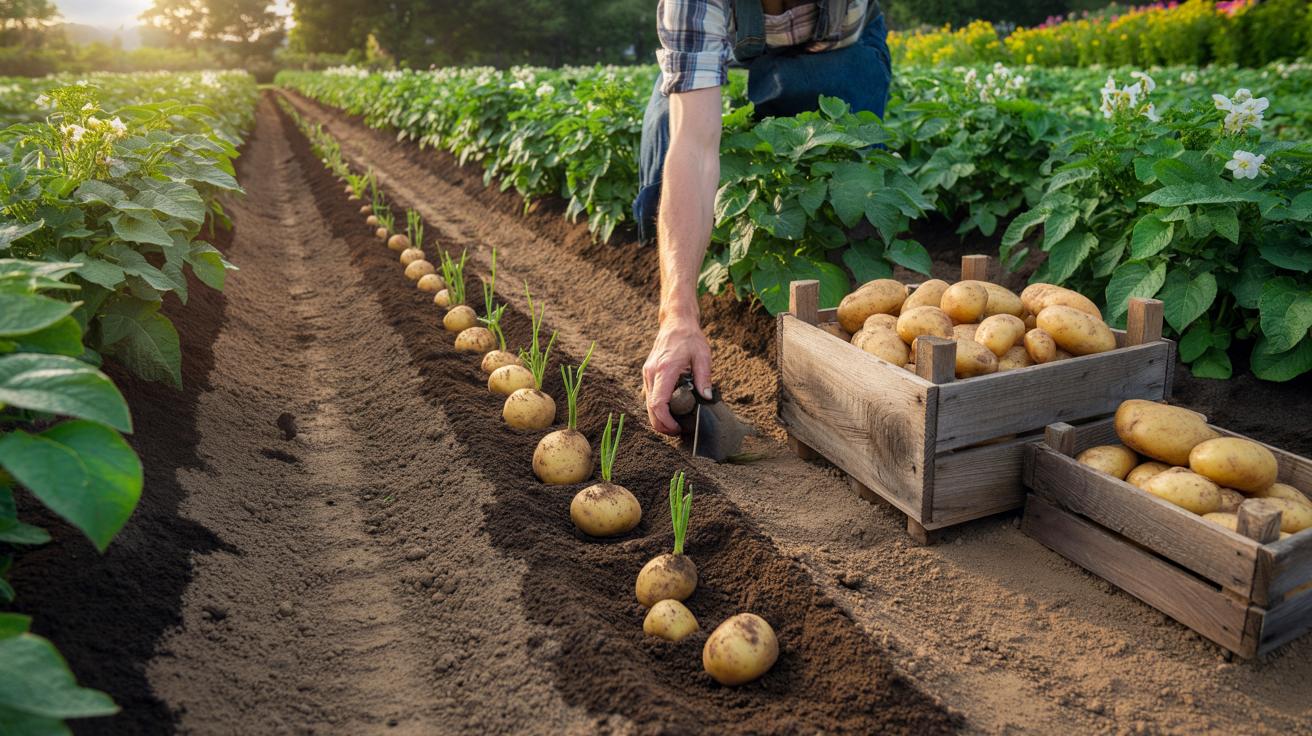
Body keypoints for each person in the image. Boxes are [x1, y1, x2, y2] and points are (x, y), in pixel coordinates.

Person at [637, 0, 893, 434]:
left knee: (851, 157)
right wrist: (678, 315)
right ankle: (678, 291)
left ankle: (847, 345)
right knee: (665, 130)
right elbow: (695, 149)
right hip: (735, 44)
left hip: (839, 45)